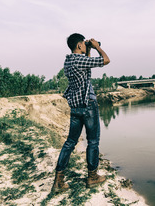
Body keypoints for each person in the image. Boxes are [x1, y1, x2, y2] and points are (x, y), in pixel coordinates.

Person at [52, 33, 110, 192]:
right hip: (88, 105)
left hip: (75, 107)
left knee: (70, 142)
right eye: (84, 44)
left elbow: (87, 66)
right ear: (79, 45)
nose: (86, 46)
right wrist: (97, 46)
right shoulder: (79, 60)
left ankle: (58, 181)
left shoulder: (68, 62)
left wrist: (88, 50)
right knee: (93, 141)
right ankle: (92, 177)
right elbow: (106, 60)